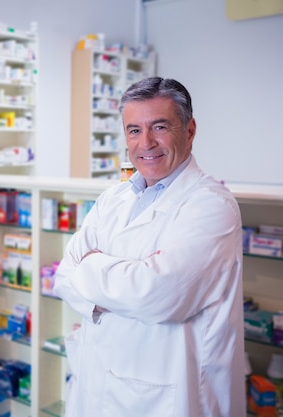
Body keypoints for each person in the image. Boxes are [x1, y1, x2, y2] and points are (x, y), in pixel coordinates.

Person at [54, 77, 244, 416]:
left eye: (159, 126)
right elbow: (65, 276)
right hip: (97, 385)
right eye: (134, 130)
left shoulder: (211, 206)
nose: (146, 142)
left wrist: (92, 268)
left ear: (189, 130)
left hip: (168, 397)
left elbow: (158, 295)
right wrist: (121, 281)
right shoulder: (113, 197)